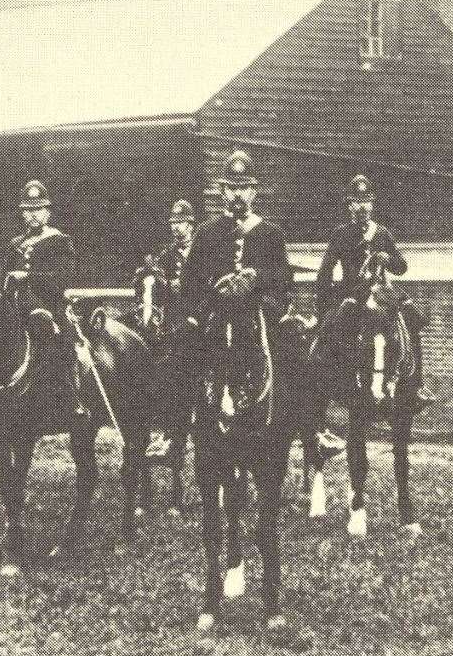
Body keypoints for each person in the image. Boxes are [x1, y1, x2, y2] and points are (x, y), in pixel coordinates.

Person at [312, 172, 433, 450]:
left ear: (373, 204)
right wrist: (326, 305)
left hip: (382, 293)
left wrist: (386, 258)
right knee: (330, 329)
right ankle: (329, 385)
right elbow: (325, 272)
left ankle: (415, 387)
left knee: (413, 322)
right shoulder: (341, 234)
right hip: (353, 294)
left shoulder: (382, 233)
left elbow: (402, 267)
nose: (362, 206)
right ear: (349, 205)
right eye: (357, 201)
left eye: (367, 200)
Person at [179, 152, 294, 415]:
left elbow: (285, 278)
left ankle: (312, 431)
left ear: (254, 192)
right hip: (216, 310)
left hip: (259, 309)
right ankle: (174, 432)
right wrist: (214, 289)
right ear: (222, 192)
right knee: (180, 351)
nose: (238, 195)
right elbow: (189, 282)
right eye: (232, 189)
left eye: (244, 188)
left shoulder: (271, 233)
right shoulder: (207, 232)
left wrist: (257, 277)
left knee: (293, 349)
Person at [2, 179, 89, 417]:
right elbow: (2, 277)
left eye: (37, 210)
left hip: (50, 305)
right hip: (16, 307)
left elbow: (63, 278)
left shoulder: (60, 241)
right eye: (28, 211)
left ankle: (72, 396)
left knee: (58, 334)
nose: (32, 215)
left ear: (47, 212)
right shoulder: (15, 244)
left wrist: (27, 276)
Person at [138, 198, 199, 458]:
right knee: (161, 364)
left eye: (182, 223)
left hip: (201, 316)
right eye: (174, 223)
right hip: (175, 321)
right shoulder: (167, 255)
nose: (177, 228)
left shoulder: (202, 250)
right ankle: (170, 432)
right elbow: (156, 285)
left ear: (191, 224)